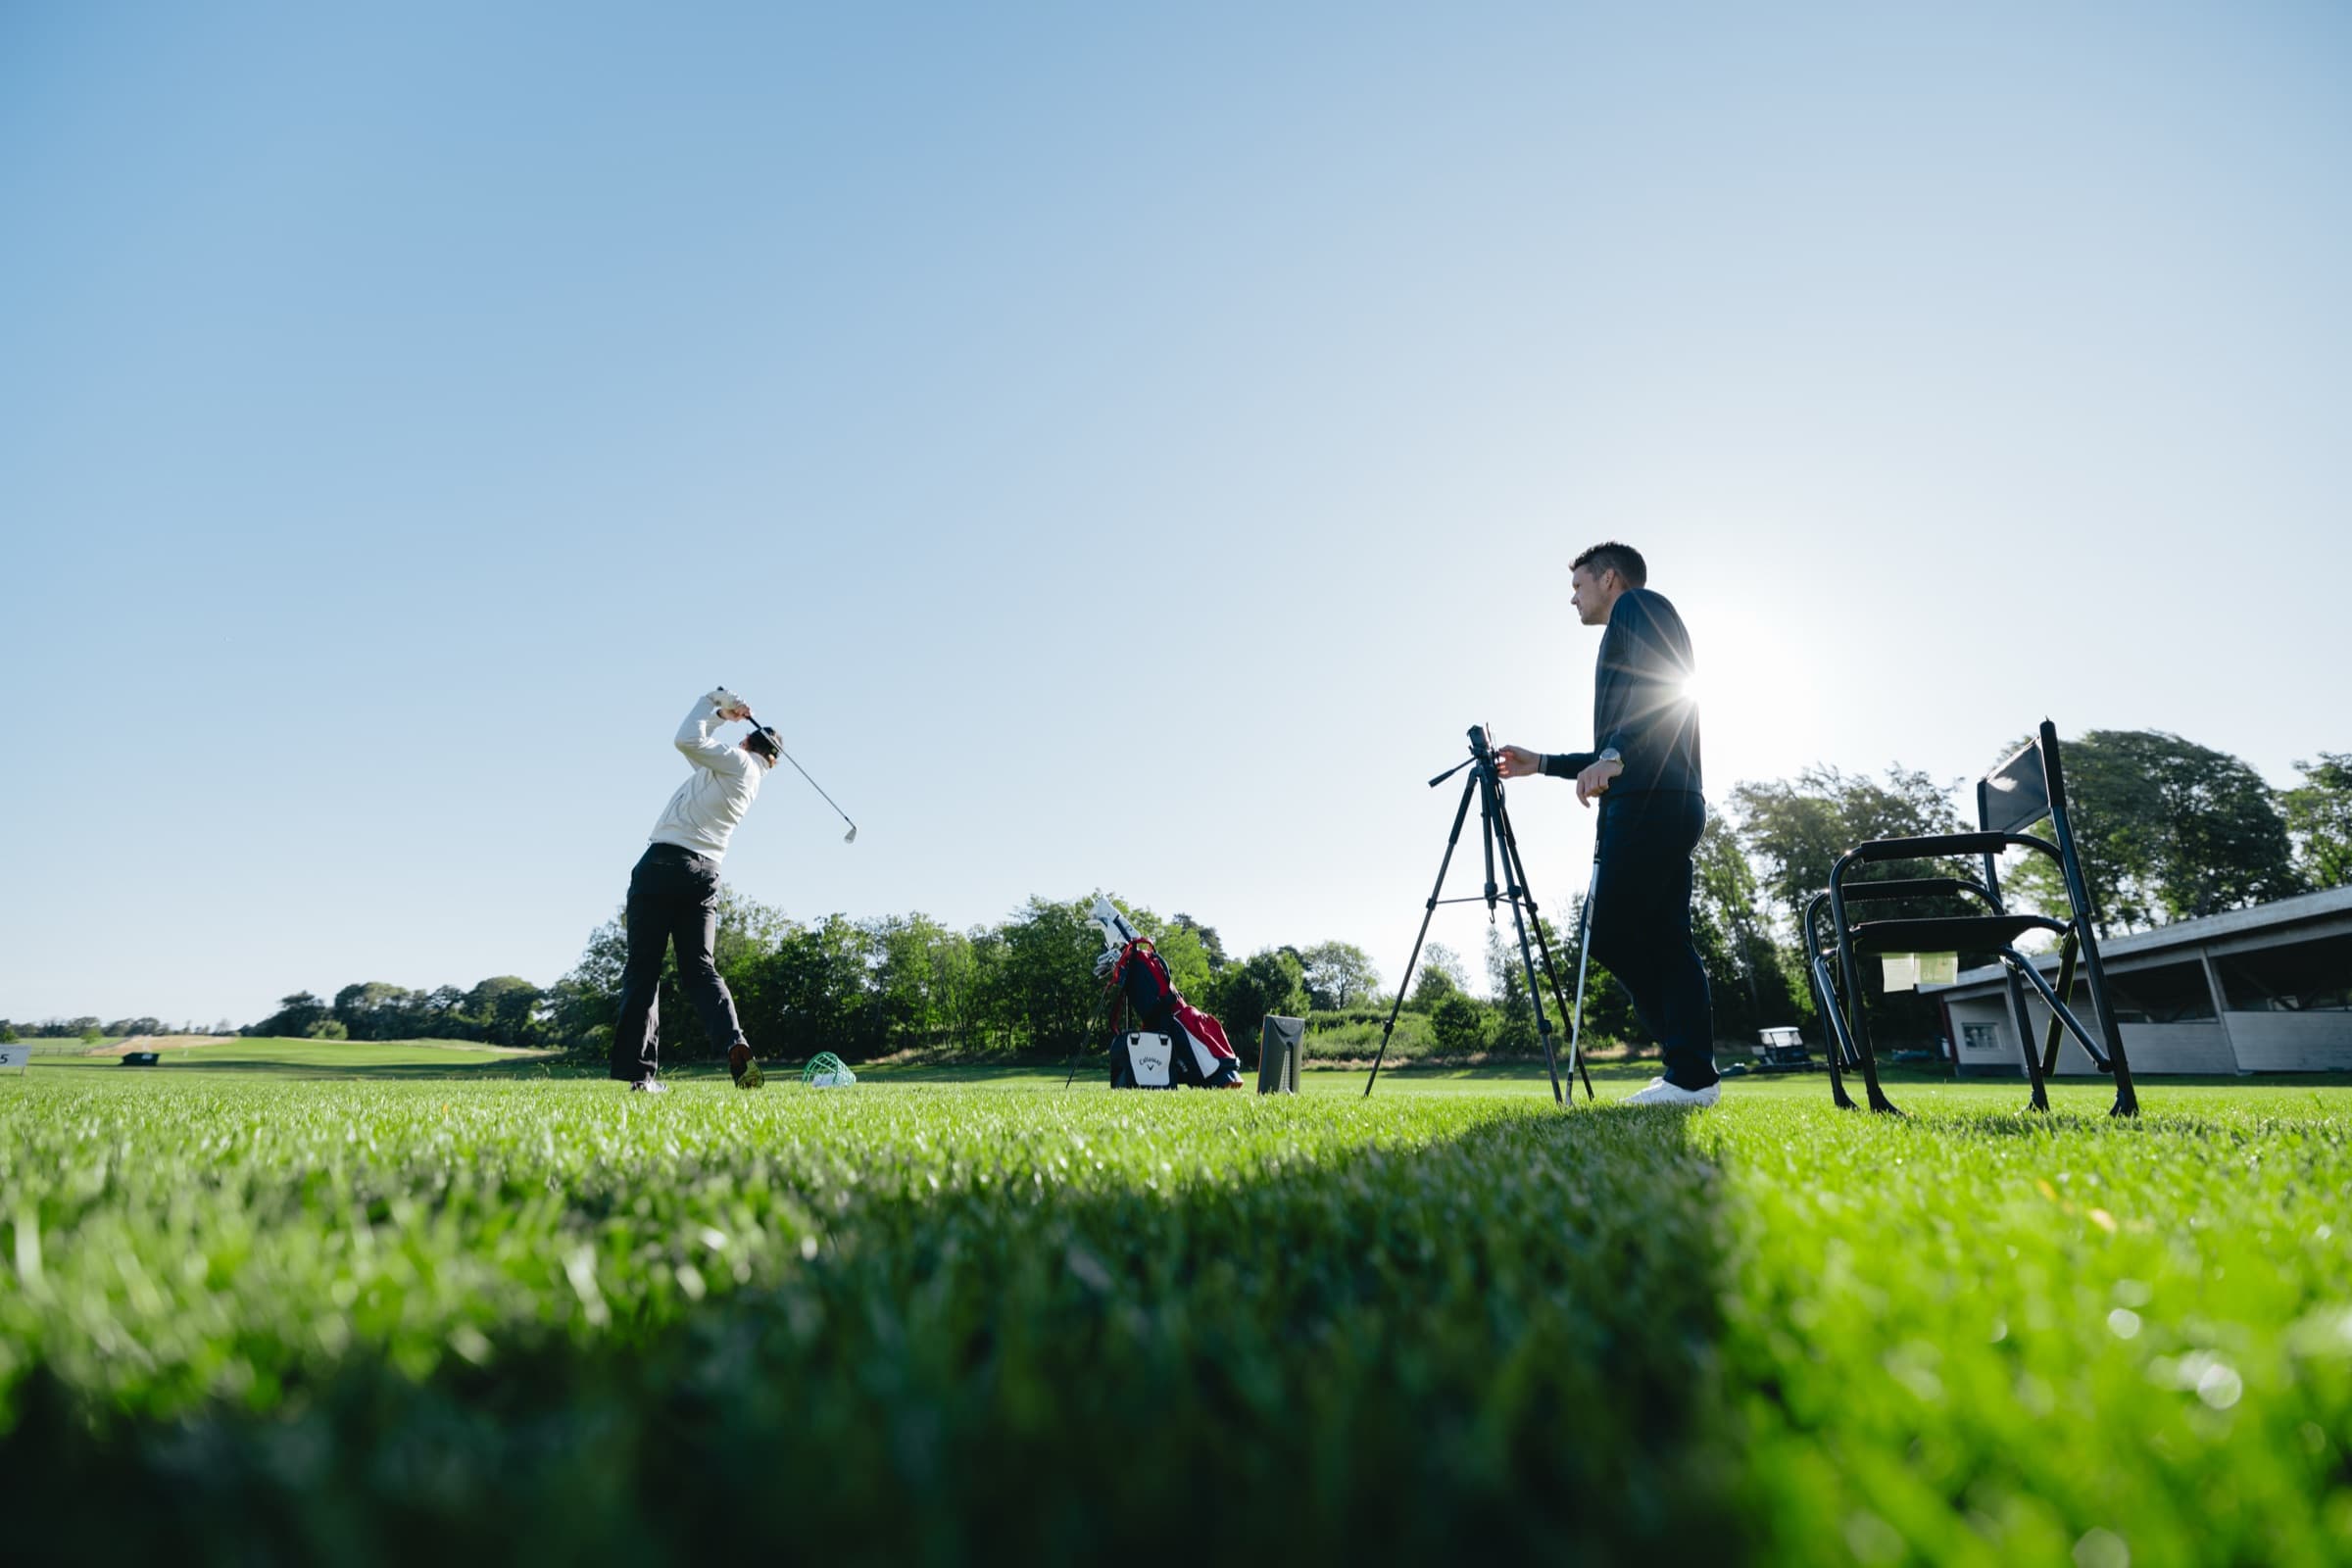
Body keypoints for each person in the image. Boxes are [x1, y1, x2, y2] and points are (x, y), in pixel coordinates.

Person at [1495, 542, 1719, 1107]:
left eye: (1577, 587)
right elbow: (1611, 746)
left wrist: (1616, 755)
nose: (1572, 599)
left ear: (1610, 578)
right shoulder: (1631, 623)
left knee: (1611, 930)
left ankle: (1688, 1067)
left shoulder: (1639, 608)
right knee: (1666, 939)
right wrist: (1542, 764)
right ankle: (1690, 1074)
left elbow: (1665, 687)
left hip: (1650, 799)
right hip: (1661, 797)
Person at [611, 688, 777, 1093]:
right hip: (706, 875)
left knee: (644, 970)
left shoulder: (736, 761)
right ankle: (735, 1042)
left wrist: (715, 705)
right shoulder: (743, 775)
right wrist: (723, 716)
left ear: (745, 743)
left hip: (665, 863)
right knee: (700, 969)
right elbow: (696, 748)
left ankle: (640, 1076)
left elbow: (686, 739)